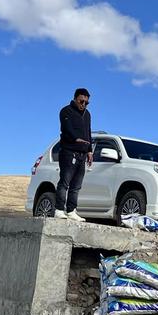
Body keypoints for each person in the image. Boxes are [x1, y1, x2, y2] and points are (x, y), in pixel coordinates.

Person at [55, 88, 93, 221]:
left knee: (76, 185)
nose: (84, 104)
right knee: (65, 181)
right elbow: (66, 127)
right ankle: (59, 209)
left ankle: (71, 211)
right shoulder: (66, 111)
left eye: (86, 103)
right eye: (81, 101)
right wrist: (75, 138)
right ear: (75, 99)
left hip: (82, 153)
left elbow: (88, 132)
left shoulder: (87, 114)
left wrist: (89, 150)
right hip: (69, 151)